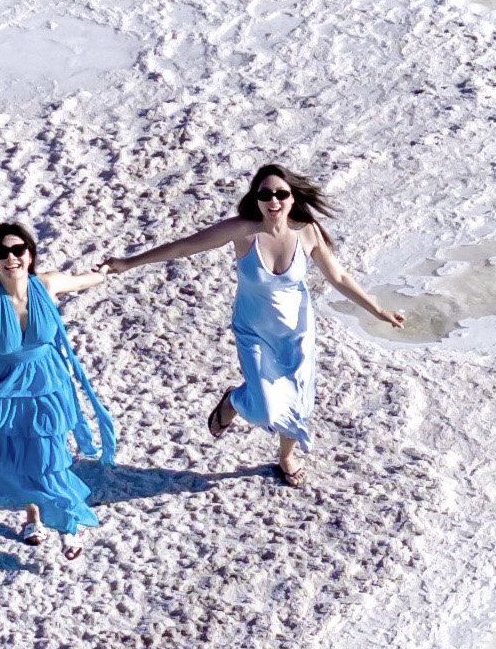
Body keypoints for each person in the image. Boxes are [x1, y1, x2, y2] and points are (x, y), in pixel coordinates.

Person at [102, 162, 404, 484]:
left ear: (291, 198)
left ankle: (286, 456)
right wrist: (129, 262)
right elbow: (186, 246)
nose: (273, 202)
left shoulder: (307, 231)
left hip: (297, 331)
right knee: (267, 410)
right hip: (255, 332)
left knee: (299, 402)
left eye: (280, 194)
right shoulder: (244, 232)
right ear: (256, 198)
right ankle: (234, 400)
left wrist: (378, 311)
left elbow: (339, 277)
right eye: (265, 195)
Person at [0, 221, 121, 557]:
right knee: (19, 455)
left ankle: (68, 523)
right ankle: (33, 515)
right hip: (0, 386)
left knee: (50, 455)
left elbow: (82, 281)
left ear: (30, 254)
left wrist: (106, 270)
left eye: (18, 250)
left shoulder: (47, 284)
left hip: (46, 382)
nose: (11, 258)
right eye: (1, 252)